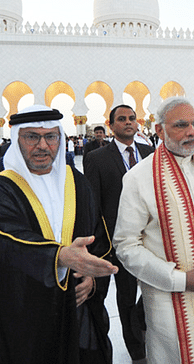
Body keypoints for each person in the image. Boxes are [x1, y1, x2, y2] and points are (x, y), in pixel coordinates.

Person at [0, 105, 118, 364]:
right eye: (32, 137)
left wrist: (92, 279)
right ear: (17, 140)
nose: (43, 145)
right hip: (26, 315)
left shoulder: (77, 181)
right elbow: (8, 243)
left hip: (79, 309)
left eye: (51, 137)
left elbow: (99, 237)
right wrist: (61, 257)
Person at [113, 97, 194, 364]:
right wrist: (181, 280)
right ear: (159, 130)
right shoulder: (139, 177)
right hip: (168, 300)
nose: (192, 132)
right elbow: (126, 245)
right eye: (181, 125)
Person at [84, 105, 154, 363]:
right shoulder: (98, 158)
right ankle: (137, 352)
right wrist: (105, 244)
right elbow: (94, 204)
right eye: (121, 119)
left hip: (150, 240)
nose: (128, 123)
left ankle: (141, 326)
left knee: (152, 293)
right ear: (111, 124)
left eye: (132, 119)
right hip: (118, 243)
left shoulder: (149, 153)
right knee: (126, 297)